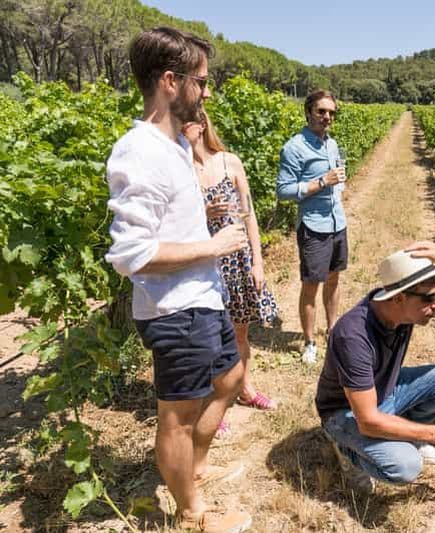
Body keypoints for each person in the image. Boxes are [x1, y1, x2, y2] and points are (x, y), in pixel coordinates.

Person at [105, 27, 251, 532]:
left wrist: (200, 210)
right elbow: (132, 253)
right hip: (177, 310)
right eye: (202, 81)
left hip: (202, 298)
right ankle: (192, 513)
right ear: (171, 81)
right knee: (178, 417)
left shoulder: (171, 147)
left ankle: (191, 469)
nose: (207, 92)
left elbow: (163, 218)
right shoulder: (139, 150)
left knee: (231, 379)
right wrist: (213, 245)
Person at [315, 241, 435, 492]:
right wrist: (434, 433)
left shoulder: (408, 308)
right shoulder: (353, 336)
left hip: (384, 390)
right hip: (345, 412)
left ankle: (404, 432)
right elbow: (368, 421)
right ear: (399, 297)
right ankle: (346, 449)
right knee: (405, 467)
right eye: (430, 297)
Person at [182, 110, 280, 436]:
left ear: (204, 122)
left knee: (240, 333)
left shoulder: (229, 162)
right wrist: (202, 211)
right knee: (211, 340)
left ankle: (245, 388)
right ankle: (216, 402)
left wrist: (258, 261)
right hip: (206, 263)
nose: (188, 126)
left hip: (238, 260)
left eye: (193, 119)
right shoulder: (180, 171)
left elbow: (249, 215)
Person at [276, 90, 348, 364]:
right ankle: (309, 342)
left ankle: (333, 330)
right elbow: (283, 191)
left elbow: (338, 175)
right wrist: (321, 182)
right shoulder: (294, 147)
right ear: (308, 112)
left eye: (331, 112)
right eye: (321, 111)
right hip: (313, 226)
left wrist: (339, 184)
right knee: (311, 285)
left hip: (337, 221)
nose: (327, 117)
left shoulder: (332, 144)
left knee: (334, 278)